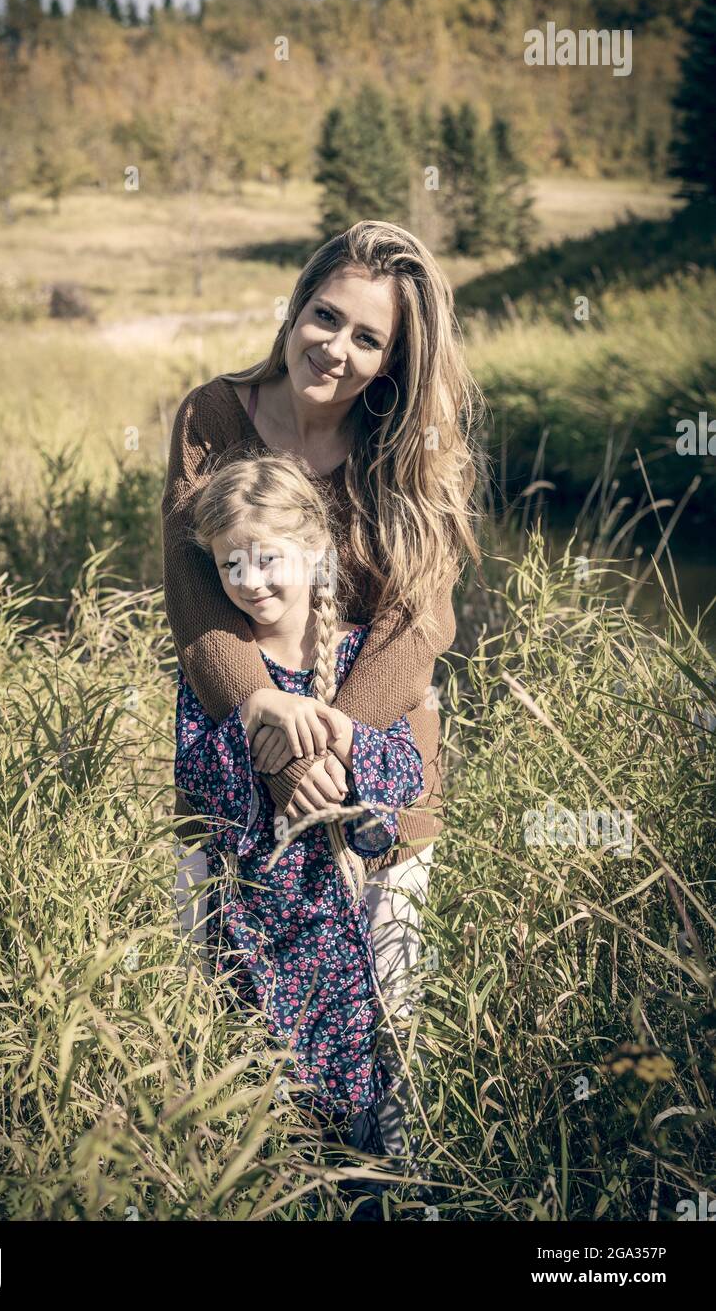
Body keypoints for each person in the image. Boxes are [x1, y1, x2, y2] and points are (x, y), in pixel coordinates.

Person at [162, 218, 483, 1159]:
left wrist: (322, 746)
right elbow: (193, 595)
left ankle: (398, 1199)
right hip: (232, 771)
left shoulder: (409, 446)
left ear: (393, 361)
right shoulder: (213, 418)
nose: (334, 348)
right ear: (295, 307)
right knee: (234, 1032)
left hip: (376, 783)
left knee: (391, 1028)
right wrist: (262, 712)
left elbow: (420, 625)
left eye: (367, 337)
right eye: (324, 315)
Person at [174, 452, 425, 1139]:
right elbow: (195, 778)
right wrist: (262, 738)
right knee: (259, 1098)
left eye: (266, 559)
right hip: (252, 919)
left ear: (315, 553)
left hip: (344, 916)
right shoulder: (225, 664)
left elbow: (407, 777)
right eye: (231, 566)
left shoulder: (356, 657)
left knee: (369, 1092)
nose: (250, 583)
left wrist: (342, 738)